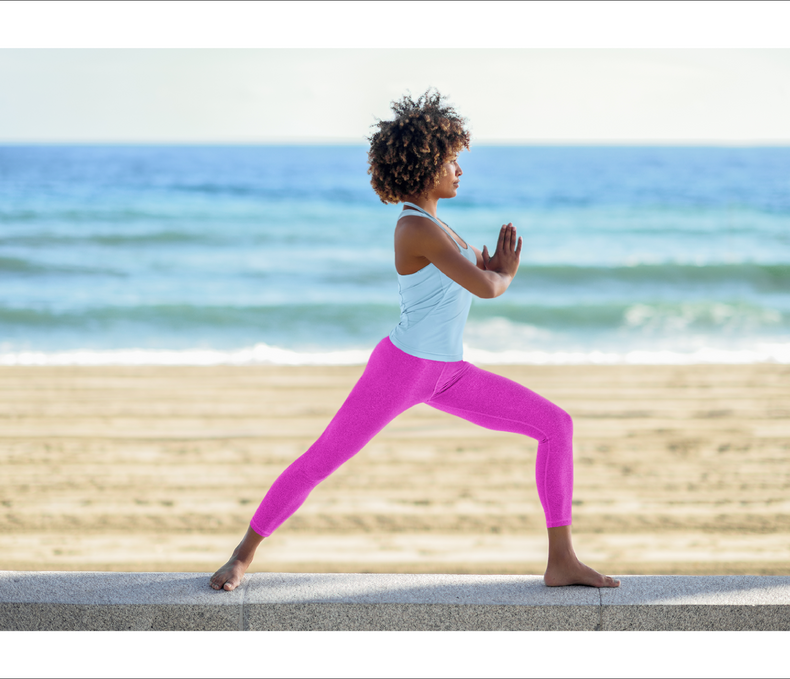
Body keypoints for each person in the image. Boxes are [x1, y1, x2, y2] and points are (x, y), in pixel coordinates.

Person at [211, 91, 619, 590]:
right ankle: (242, 555)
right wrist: (504, 274)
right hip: (401, 370)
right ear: (426, 166)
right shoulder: (414, 227)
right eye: (451, 160)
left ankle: (562, 560)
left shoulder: (438, 226)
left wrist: (485, 269)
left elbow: (464, 282)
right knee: (324, 457)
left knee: (556, 425)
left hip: (449, 372)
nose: (459, 170)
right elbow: (488, 290)